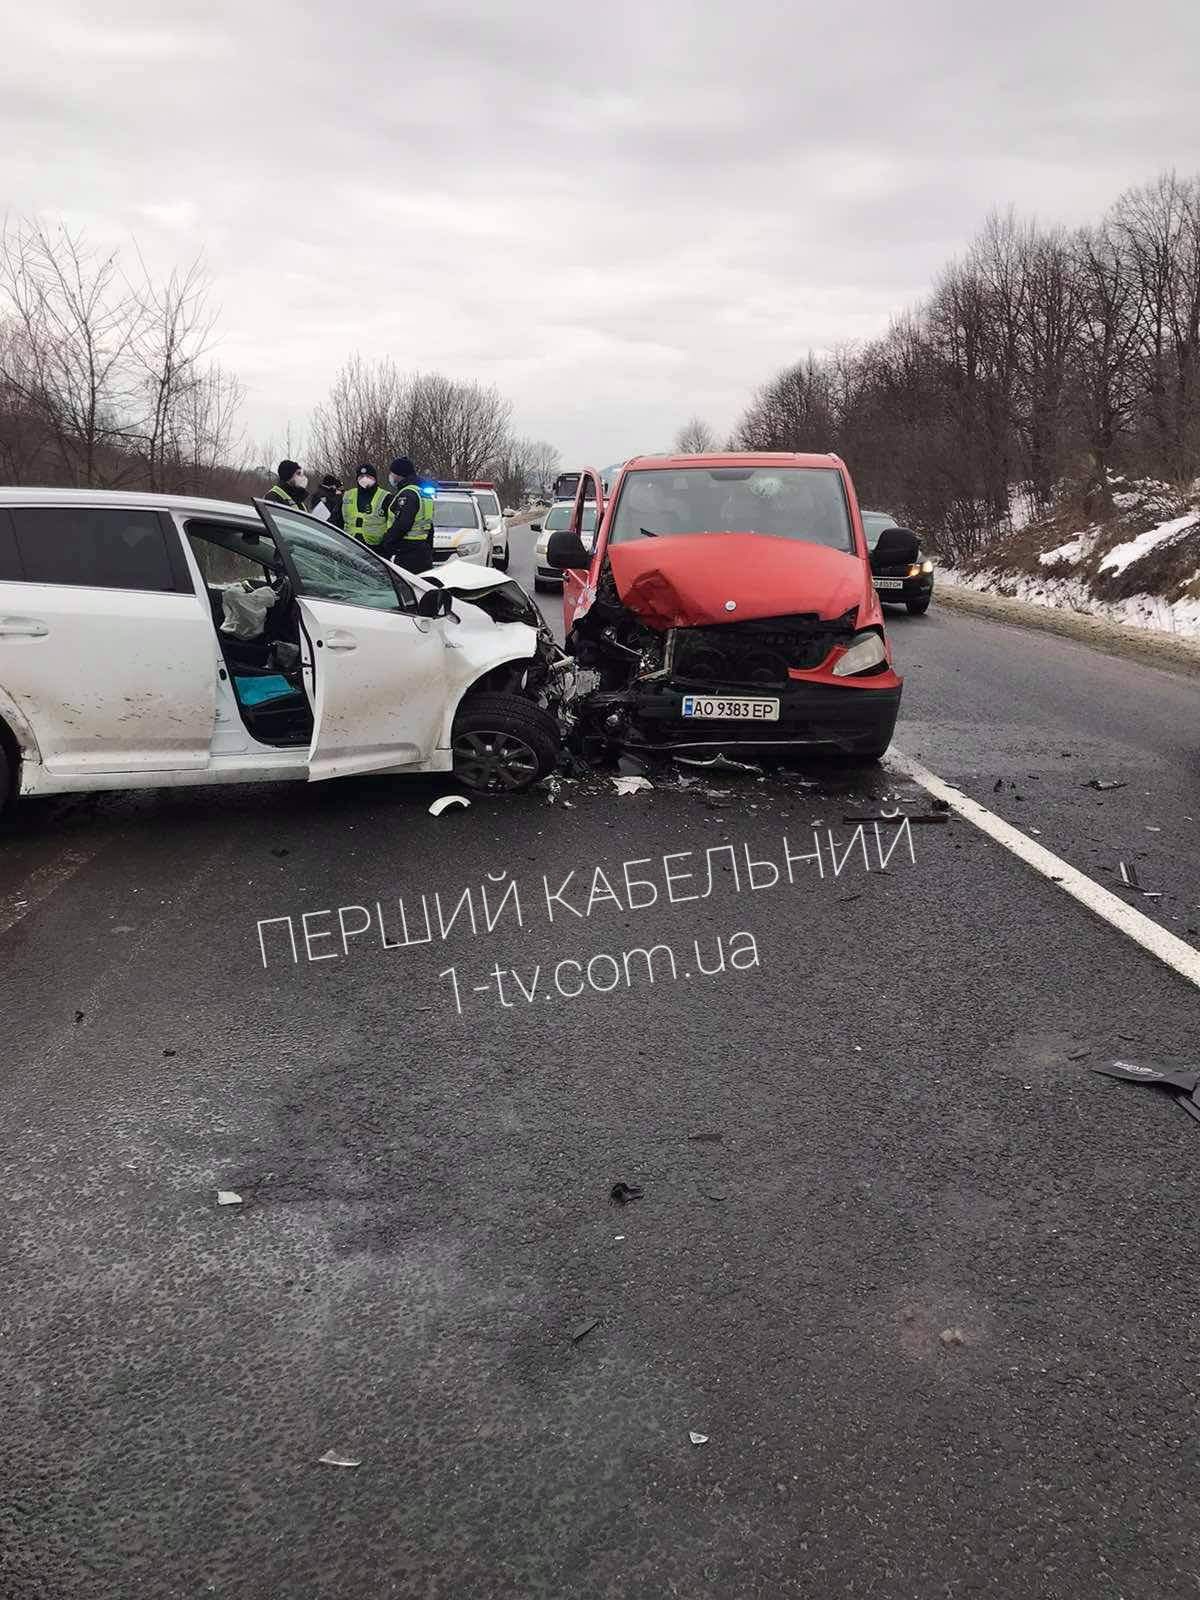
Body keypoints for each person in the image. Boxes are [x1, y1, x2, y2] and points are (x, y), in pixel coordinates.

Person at [378, 456, 435, 571]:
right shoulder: (423, 493)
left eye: (392, 473)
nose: (391, 476)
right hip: (423, 551)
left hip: (407, 552)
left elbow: (402, 524)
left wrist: (386, 544)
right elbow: (430, 527)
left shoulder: (407, 494)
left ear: (399, 475)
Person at [341, 464, 392, 547]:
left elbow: (392, 523)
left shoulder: (386, 497)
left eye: (368, 476)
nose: (365, 479)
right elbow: (336, 520)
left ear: (375, 478)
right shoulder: (347, 495)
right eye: (361, 477)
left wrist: (386, 544)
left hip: (376, 547)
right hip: (349, 545)